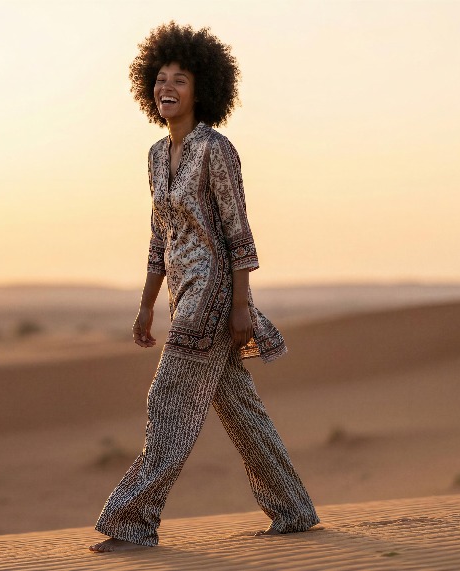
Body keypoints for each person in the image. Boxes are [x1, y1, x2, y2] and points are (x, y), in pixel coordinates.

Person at [88, 22, 321, 553]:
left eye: (181, 78)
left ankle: (132, 521)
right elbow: (159, 236)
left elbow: (239, 232)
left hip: (213, 295)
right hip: (180, 296)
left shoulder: (217, 149)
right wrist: (146, 306)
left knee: (167, 400)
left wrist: (240, 307)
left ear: (202, 89)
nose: (167, 87)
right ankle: (293, 509)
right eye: (160, 78)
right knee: (240, 409)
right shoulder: (155, 155)